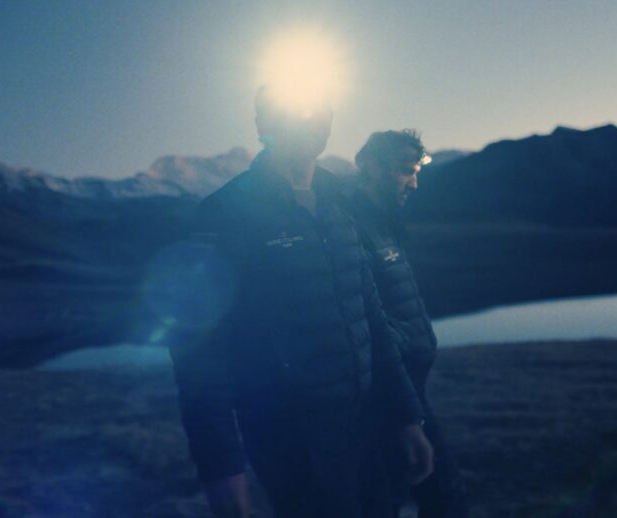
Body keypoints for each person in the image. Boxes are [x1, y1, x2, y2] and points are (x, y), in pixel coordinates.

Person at [166, 89, 434, 518]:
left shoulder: (338, 203)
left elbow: (371, 316)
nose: (312, 117)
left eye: (321, 106)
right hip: (293, 441)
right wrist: (221, 467)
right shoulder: (226, 213)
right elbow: (198, 346)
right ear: (264, 124)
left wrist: (405, 415)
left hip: (366, 426)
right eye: (297, 106)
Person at [347, 129, 469, 517]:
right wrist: (401, 406)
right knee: (428, 497)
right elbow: (365, 321)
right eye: (405, 170)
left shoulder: (384, 223)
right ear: (370, 166)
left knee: (438, 494)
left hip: (408, 390)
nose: (414, 183)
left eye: (416, 171)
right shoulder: (349, 227)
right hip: (385, 395)